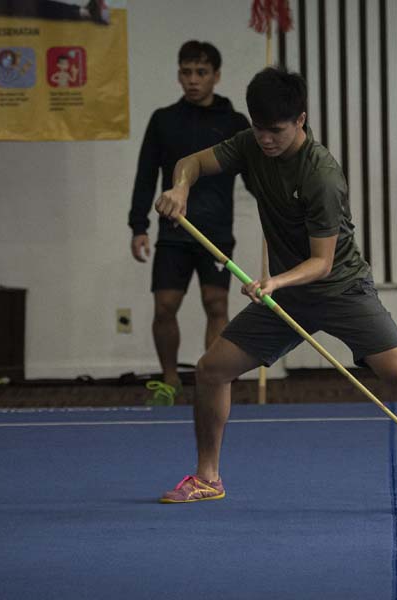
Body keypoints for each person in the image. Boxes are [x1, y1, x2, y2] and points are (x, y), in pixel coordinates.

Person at [155, 67, 397, 517]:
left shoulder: (321, 175)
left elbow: (322, 263)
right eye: (259, 128)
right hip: (286, 295)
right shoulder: (250, 143)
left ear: (301, 120)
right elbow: (192, 162)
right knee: (212, 369)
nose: (266, 139)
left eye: (276, 130)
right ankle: (207, 478)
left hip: (341, 289)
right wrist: (180, 188)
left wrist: (274, 280)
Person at [128, 41, 251, 406]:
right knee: (165, 306)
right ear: (178, 74)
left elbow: (257, 175)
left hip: (215, 231)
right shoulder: (163, 119)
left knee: (216, 305)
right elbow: (146, 174)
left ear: (216, 76)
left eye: (201, 73)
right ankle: (169, 380)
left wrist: (277, 210)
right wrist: (138, 226)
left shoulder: (235, 123)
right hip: (173, 229)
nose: (193, 80)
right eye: (186, 72)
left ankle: (213, 380)